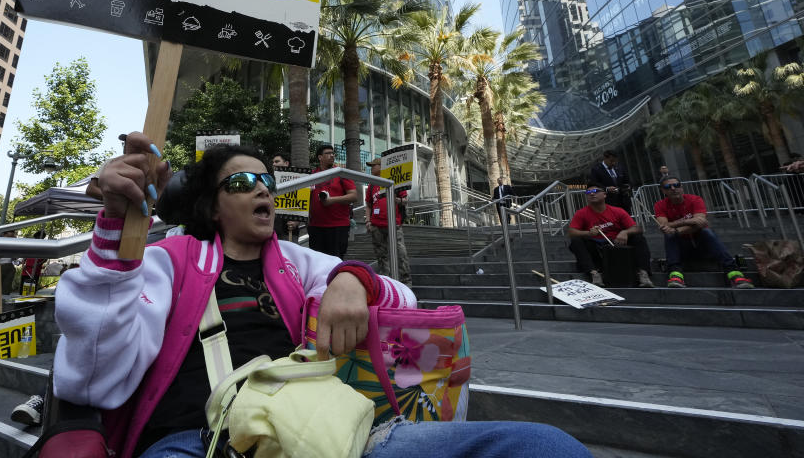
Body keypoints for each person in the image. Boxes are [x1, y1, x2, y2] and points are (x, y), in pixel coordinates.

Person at [52, 132, 591, 458]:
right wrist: (117, 238)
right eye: (241, 184)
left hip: (328, 433)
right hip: (199, 441)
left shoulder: (298, 263)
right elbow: (94, 374)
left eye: (265, 179)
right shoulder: (164, 263)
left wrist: (353, 281)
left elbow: (400, 295)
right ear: (212, 207)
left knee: (546, 446)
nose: (263, 189)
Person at [654, 175, 754, 289]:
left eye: (676, 185)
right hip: (681, 248)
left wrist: (676, 229)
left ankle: (734, 273)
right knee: (669, 235)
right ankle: (675, 275)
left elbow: (701, 222)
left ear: (681, 187)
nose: (673, 188)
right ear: (663, 190)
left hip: (702, 244)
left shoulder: (695, 199)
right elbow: (664, 225)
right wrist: (690, 222)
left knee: (706, 232)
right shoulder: (660, 205)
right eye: (668, 186)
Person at [567, 186, 653, 288]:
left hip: (617, 243)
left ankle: (643, 273)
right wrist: (588, 233)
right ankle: (594, 273)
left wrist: (625, 232)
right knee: (576, 241)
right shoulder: (581, 213)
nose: (591, 194)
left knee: (638, 237)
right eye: (588, 192)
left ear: (604, 195)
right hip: (596, 246)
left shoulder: (617, 211)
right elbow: (571, 232)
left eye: (595, 191)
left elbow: (636, 228)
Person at [365, 157, 411, 286]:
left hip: (393, 224)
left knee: (400, 254)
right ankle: (387, 283)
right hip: (376, 226)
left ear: (381, 166)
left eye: (374, 165)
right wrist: (368, 221)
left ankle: (406, 283)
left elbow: (405, 200)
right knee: (381, 256)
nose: (371, 168)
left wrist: (397, 200)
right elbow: (368, 204)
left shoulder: (395, 181)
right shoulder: (372, 184)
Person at [307, 144, 358, 259]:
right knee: (317, 262)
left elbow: (354, 196)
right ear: (320, 157)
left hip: (338, 227)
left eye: (333, 153)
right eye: (328, 153)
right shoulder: (311, 175)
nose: (332, 155)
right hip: (316, 227)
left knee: (336, 261)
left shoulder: (341, 173)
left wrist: (332, 200)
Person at [270, 152, 302, 242]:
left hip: (289, 229)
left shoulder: (298, 179)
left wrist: (297, 221)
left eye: (277, 161)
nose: (274, 164)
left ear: (286, 163)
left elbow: (303, 201)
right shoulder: (270, 179)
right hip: (273, 228)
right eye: (273, 162)